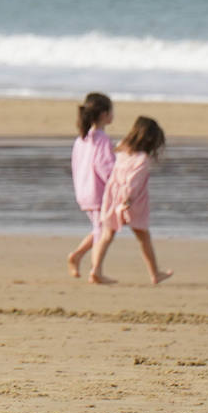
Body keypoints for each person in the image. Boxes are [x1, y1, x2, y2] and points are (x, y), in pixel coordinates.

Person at [89, 117, 173, 286]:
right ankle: (155, 273)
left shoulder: (122, 149)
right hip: (132, 201)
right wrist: (127, 200)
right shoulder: (142, 159)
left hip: (112, 196)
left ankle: (95, 270)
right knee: (143, 237)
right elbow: (133, 182)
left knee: (107, 234)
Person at [66, 93, 115, 278]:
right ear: (104, 114)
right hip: (98, 192)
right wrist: (117, 186)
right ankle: (96, 270)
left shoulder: (82, 139)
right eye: (111, 111)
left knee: (99, 228)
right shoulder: (101, 140)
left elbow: (76, 165)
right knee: (103, 231)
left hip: (85, 190)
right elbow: (106, 167)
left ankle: (77, 256)